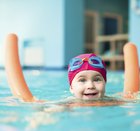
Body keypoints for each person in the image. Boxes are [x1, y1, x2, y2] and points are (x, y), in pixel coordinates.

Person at [4, 34, 140, 107]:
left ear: (105, 83)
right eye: (82, 80)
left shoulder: (113, 102)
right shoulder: (69, 104)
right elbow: (42, 107)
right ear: (71, 88)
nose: (90, 85)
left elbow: (132, 99)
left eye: (97, 79)